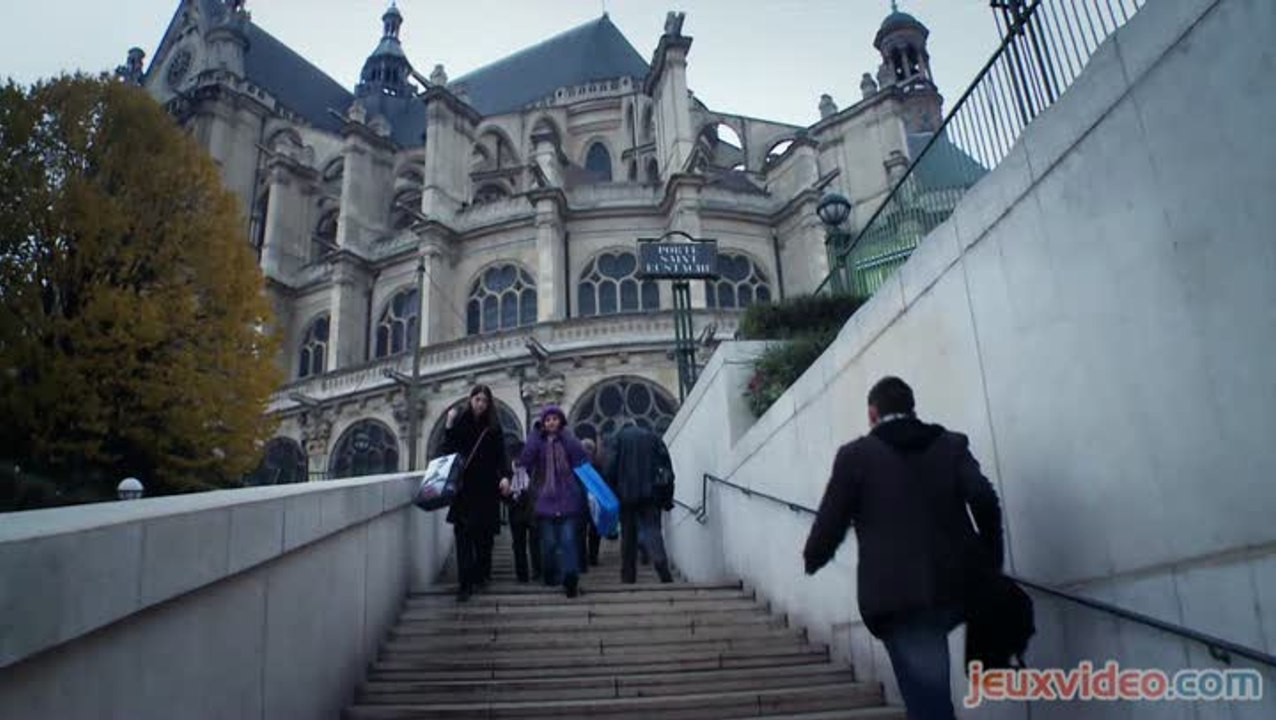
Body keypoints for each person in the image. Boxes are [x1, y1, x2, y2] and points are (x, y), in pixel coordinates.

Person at [803, 376, 1003, 720]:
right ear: (913, 409)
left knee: (927, 702)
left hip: (895, 596)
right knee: (928, 693)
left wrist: (813, 558)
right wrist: (989, 557)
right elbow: (984, 498)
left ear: (872, 413)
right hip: (952, 589)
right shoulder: (950, 445)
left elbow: (831, 521)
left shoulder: (856, 456)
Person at [441, 384, 511, 602]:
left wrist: (505, 476)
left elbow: (502, 455)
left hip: (487, 489)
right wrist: (449, 424)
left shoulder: (494, 427)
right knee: (463, 537)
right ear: (470, 400)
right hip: (464, 488)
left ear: (489, 403)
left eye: (484, 400)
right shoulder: (460, 422)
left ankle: (481, 574)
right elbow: (447, 451)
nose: (480, 404)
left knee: (483, 538)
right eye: (477, 399)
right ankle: (465, 584)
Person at [519, 406, 589, 598]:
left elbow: (581, 459)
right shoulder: (538, 443)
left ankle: (570, 579)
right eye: (547, 419)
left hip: (567, 497)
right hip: (545, 499)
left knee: (568, 541)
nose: (551, 422)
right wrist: (534, 434)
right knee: (548, 543)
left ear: (561, 421)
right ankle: (550, 574)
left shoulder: (568, 441)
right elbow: (525, 460)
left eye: (554, 419)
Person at [606, 423, 674, 584]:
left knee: (628, 537)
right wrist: (667, 497)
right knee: (653, 531)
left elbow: (610, 468)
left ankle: (628, 576)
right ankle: (660, 561)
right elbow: (667, 469)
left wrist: (613, 491)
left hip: (626, 495)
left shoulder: (618, 439)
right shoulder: (653, 437)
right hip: (651, 494)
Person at [504, 440, 541, 583]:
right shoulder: (506, 471)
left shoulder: (533, 469)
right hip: (515, 509)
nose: (518, 460)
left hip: (532, 509)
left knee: (535, 542)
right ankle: (522, 575)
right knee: (518, 544)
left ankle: (538, 571)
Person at [579, 437, 604, 568]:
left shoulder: (577, 465)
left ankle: (583, 558)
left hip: (581, 502)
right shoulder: (598, 465)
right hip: (594, 502)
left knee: (582, 531)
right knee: (594, 531)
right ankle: (593, 557)